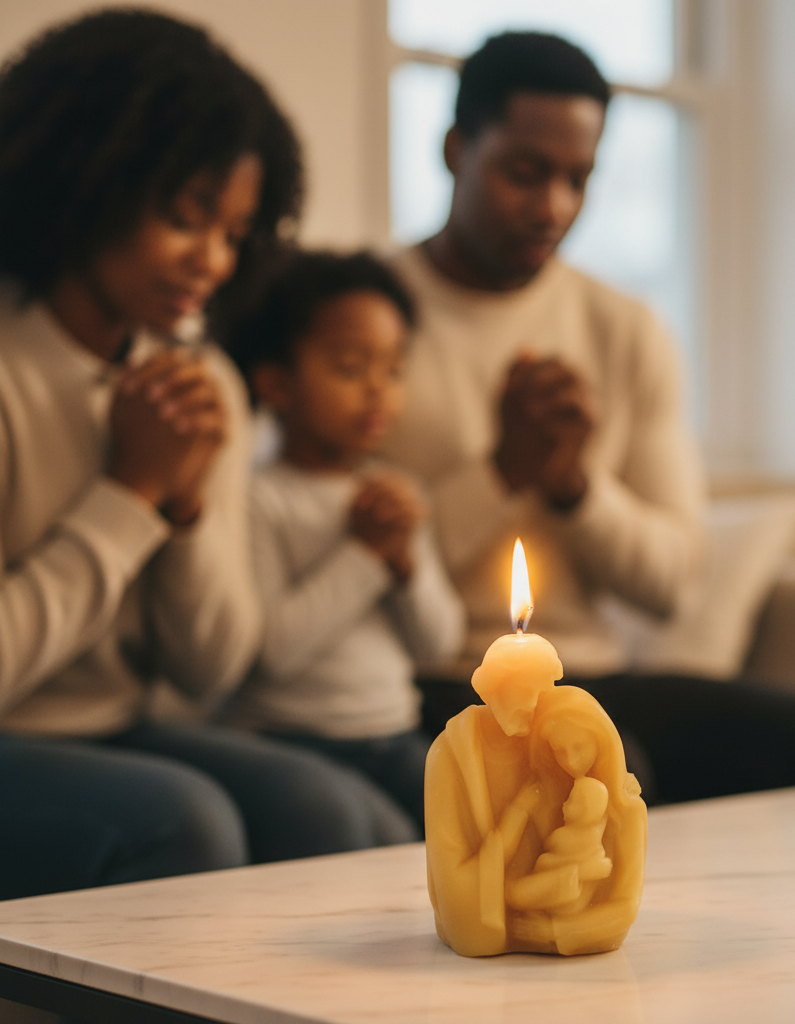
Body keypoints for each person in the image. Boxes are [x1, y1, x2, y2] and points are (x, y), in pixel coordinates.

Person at [383, 30, 795, 804]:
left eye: (578, 179)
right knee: (611, 777)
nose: (553, 206)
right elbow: (365, 563)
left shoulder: (622, 327)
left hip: (590, 673)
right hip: (432, 677)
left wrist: (572, 486)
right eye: (525, 172)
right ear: (455, 149)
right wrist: (501, 472)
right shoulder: (366, 320)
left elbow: (672, 585)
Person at [0, 10, 413, 902]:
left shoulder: (199, 384)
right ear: (88, 179)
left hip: (115, 724)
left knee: (330, 813)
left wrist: (181, 508)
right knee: (184, 819)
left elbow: (208, 667)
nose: (214, 263)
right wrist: (128, 494)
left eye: (234, 233)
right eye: (188, 220)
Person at [224, 250, 465, 829]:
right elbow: (274, 652)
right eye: (353, 368)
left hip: (394, 733)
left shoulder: (396, 492)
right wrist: (364, 555)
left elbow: (439, 643)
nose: (379, 391)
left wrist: (406, 563)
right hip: (297, 742)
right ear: (277, 383)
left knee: (474, 825)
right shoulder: (261, 498)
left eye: (394, 370)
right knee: (382, 838)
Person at [424, 631, 645, 956]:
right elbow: (454, 877)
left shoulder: (596, 792)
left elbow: (622, 905)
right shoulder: (453, 755)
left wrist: (558, 928)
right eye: (523, 692)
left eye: (540, 694)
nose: (532, 706)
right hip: (500, 906)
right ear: (492, 689)